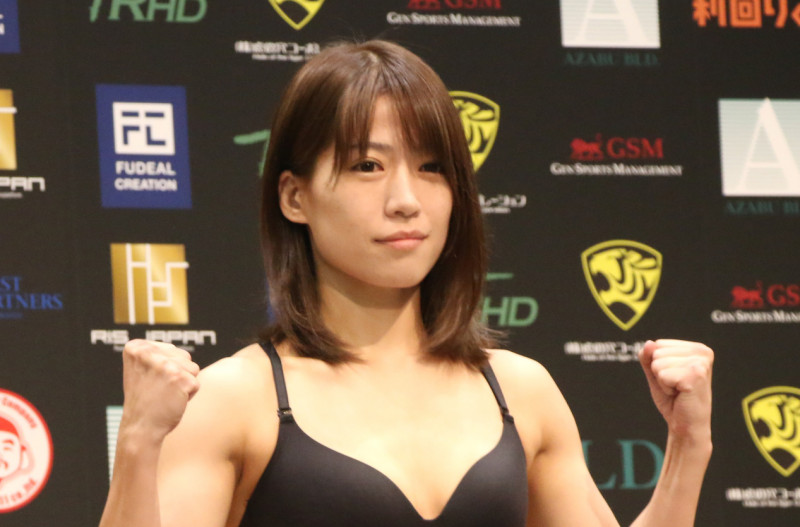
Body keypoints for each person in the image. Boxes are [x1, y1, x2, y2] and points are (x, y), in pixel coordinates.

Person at [99, 40, 713, 527]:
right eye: (367, 166)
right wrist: (138, 444)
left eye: (431, 167)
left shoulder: (520, 390)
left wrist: (688, 446)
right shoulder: (234, 399)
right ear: (294, 196)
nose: (406, 200)